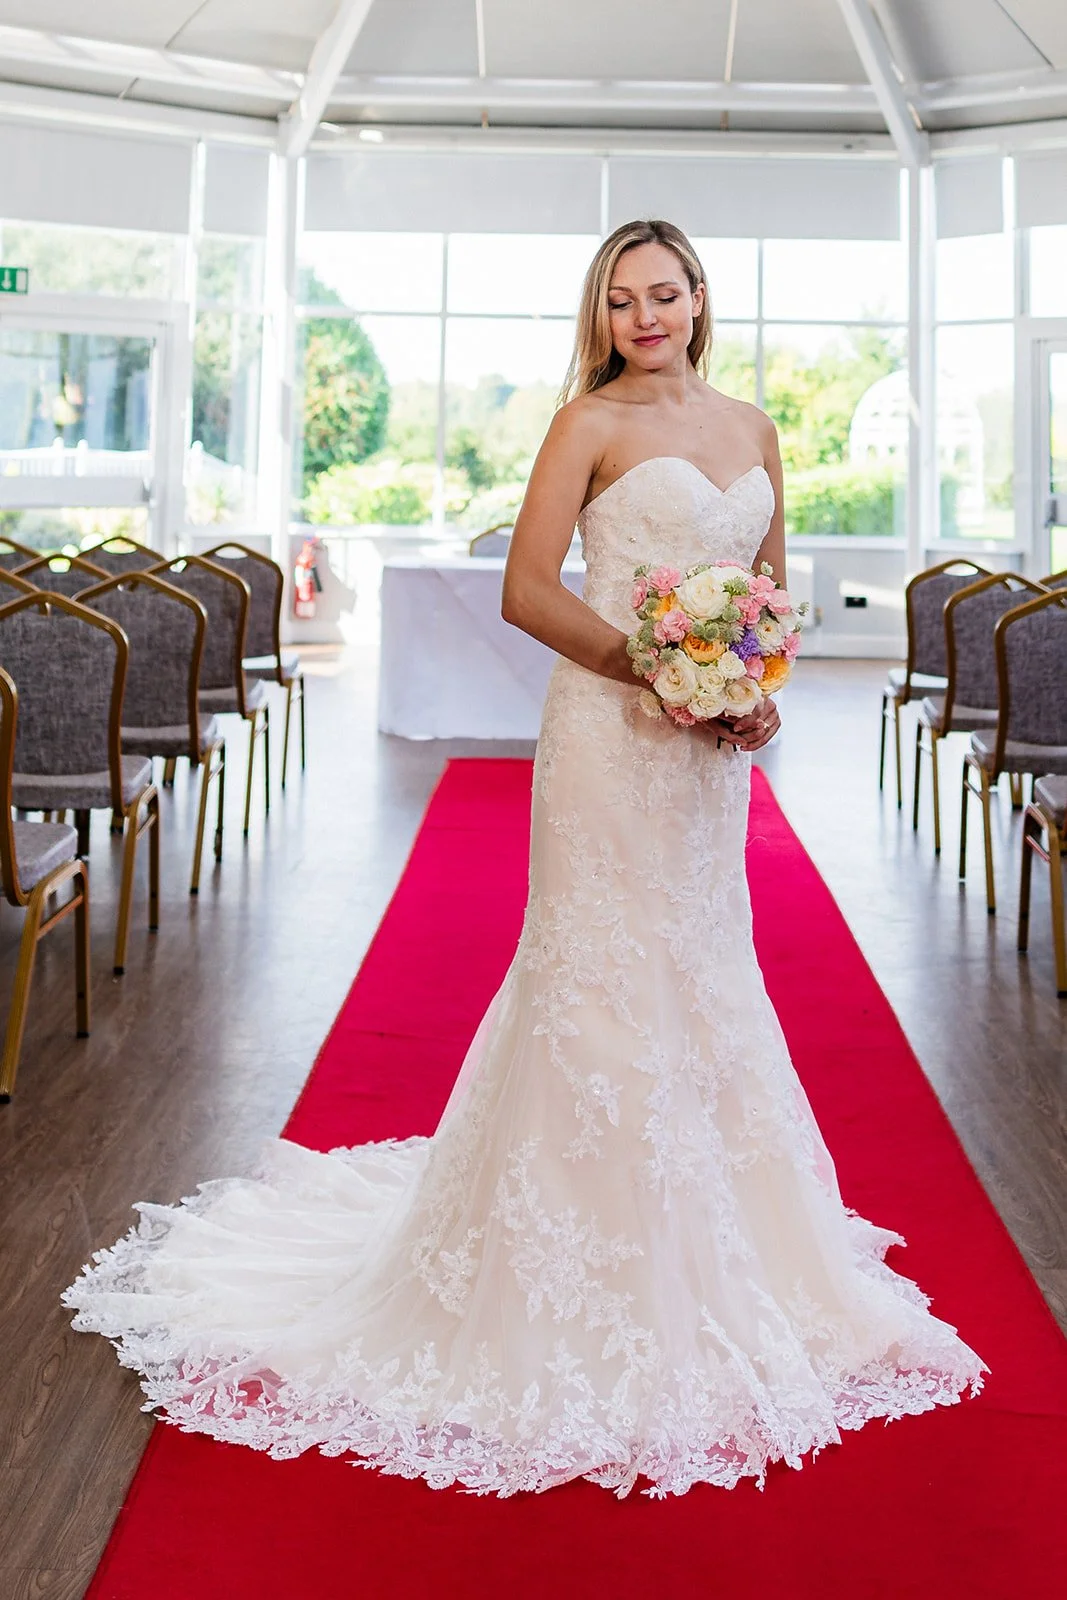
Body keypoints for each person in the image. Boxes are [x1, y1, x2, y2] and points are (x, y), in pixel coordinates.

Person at [64, 220, 984, 1499]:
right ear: (600, 317)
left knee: (703, 968)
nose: (644, 315)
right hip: (610, 735)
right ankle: (563, 1262)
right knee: (595, 981)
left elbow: (767, 592)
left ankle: (713, 1251)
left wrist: (750, 690)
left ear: (700, 296)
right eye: (620, 300)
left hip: (705, 753)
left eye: (662, 292)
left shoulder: (755, 428)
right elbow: (526, 588)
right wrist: (655, 667)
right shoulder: (586, 424)